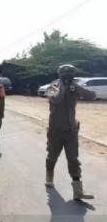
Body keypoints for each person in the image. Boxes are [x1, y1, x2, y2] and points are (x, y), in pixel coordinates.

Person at [45, 64, 95, 200]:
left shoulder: (75, 87)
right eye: (65, 73)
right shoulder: (53, 87)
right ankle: (49, 176)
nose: (68, 75)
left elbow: (91, 96)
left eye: (71, 73)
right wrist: (65, 87)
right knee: (52, 156)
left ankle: (78, 190)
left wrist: (78, 88)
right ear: (60, 75)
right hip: (56, 130)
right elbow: (56, 99)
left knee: (73, 159)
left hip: (71, 130)